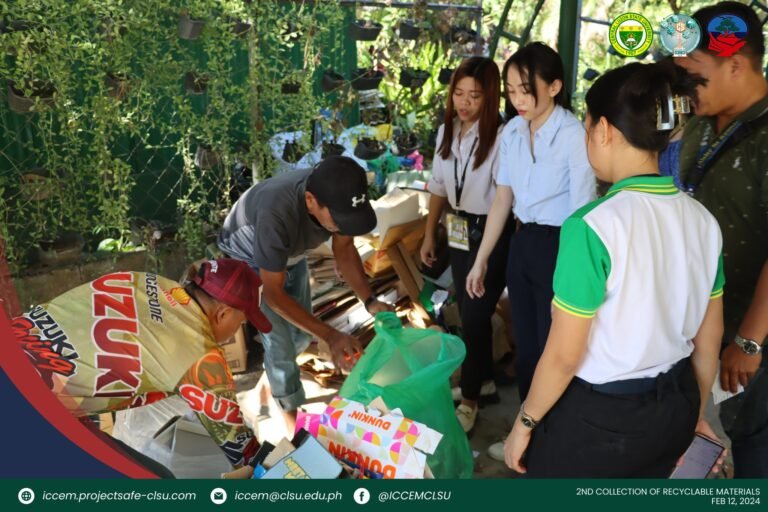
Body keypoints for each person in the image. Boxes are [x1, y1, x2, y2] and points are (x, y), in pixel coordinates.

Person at [503, 61, 727, 478]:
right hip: (674, 402)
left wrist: (524, 423)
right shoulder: (704, 222)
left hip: (601, 419)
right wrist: (693, 413)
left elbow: (563, 356)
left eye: (587, 128)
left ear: (603, 130)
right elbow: (709, 339)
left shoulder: (591, 226)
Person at [12, 258, 271, 477]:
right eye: (241, 322)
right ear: (223, 313)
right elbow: (240, 448)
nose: (237, 330)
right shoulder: (200, 355)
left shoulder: (142, 280)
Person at [217, 156, 392, 434]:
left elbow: (344, 249)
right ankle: (293, 430)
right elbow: (273, 295)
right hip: (248, 256)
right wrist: (331, 336)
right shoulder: (277, 213)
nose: (343, 226)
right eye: (339, 220)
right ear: (310, 201)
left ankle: (269, 388)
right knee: (280, 344)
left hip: (289, 254)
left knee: (299, 337)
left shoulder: (337, 192)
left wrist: (370, 301)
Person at [465, 42, 596, 404]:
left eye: (525, 90)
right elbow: (502, 200)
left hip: (561, 246)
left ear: (554, 87)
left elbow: (581, 212)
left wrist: (570, 277)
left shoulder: (573, 136)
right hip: (522, 243)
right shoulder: (512, 132)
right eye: (510, 91)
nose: (517, 100)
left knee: (554, 346)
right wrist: (481, 260)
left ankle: (554, 430)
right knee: (526, 344)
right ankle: (528, 427)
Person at [672, 1, 768, 478]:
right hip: (703, 325)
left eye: (695, 75)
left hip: (751, 334)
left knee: (755, 445)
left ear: (735, 65)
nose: (685, 87)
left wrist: (749, 340)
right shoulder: (699, 125)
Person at [420, 57, 508, 434]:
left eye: (475, 95)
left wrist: (483, 256)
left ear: (491, 97)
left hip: (492, 229)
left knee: (474, 316)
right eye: (459, 93)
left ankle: (470, 401)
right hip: (457, 226)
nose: (465, 102)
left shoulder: (503, 136)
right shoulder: (447, 130)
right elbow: (439, 187)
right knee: (470, 310)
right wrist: (430, 233)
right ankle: (483, 383)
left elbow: (504, 197)